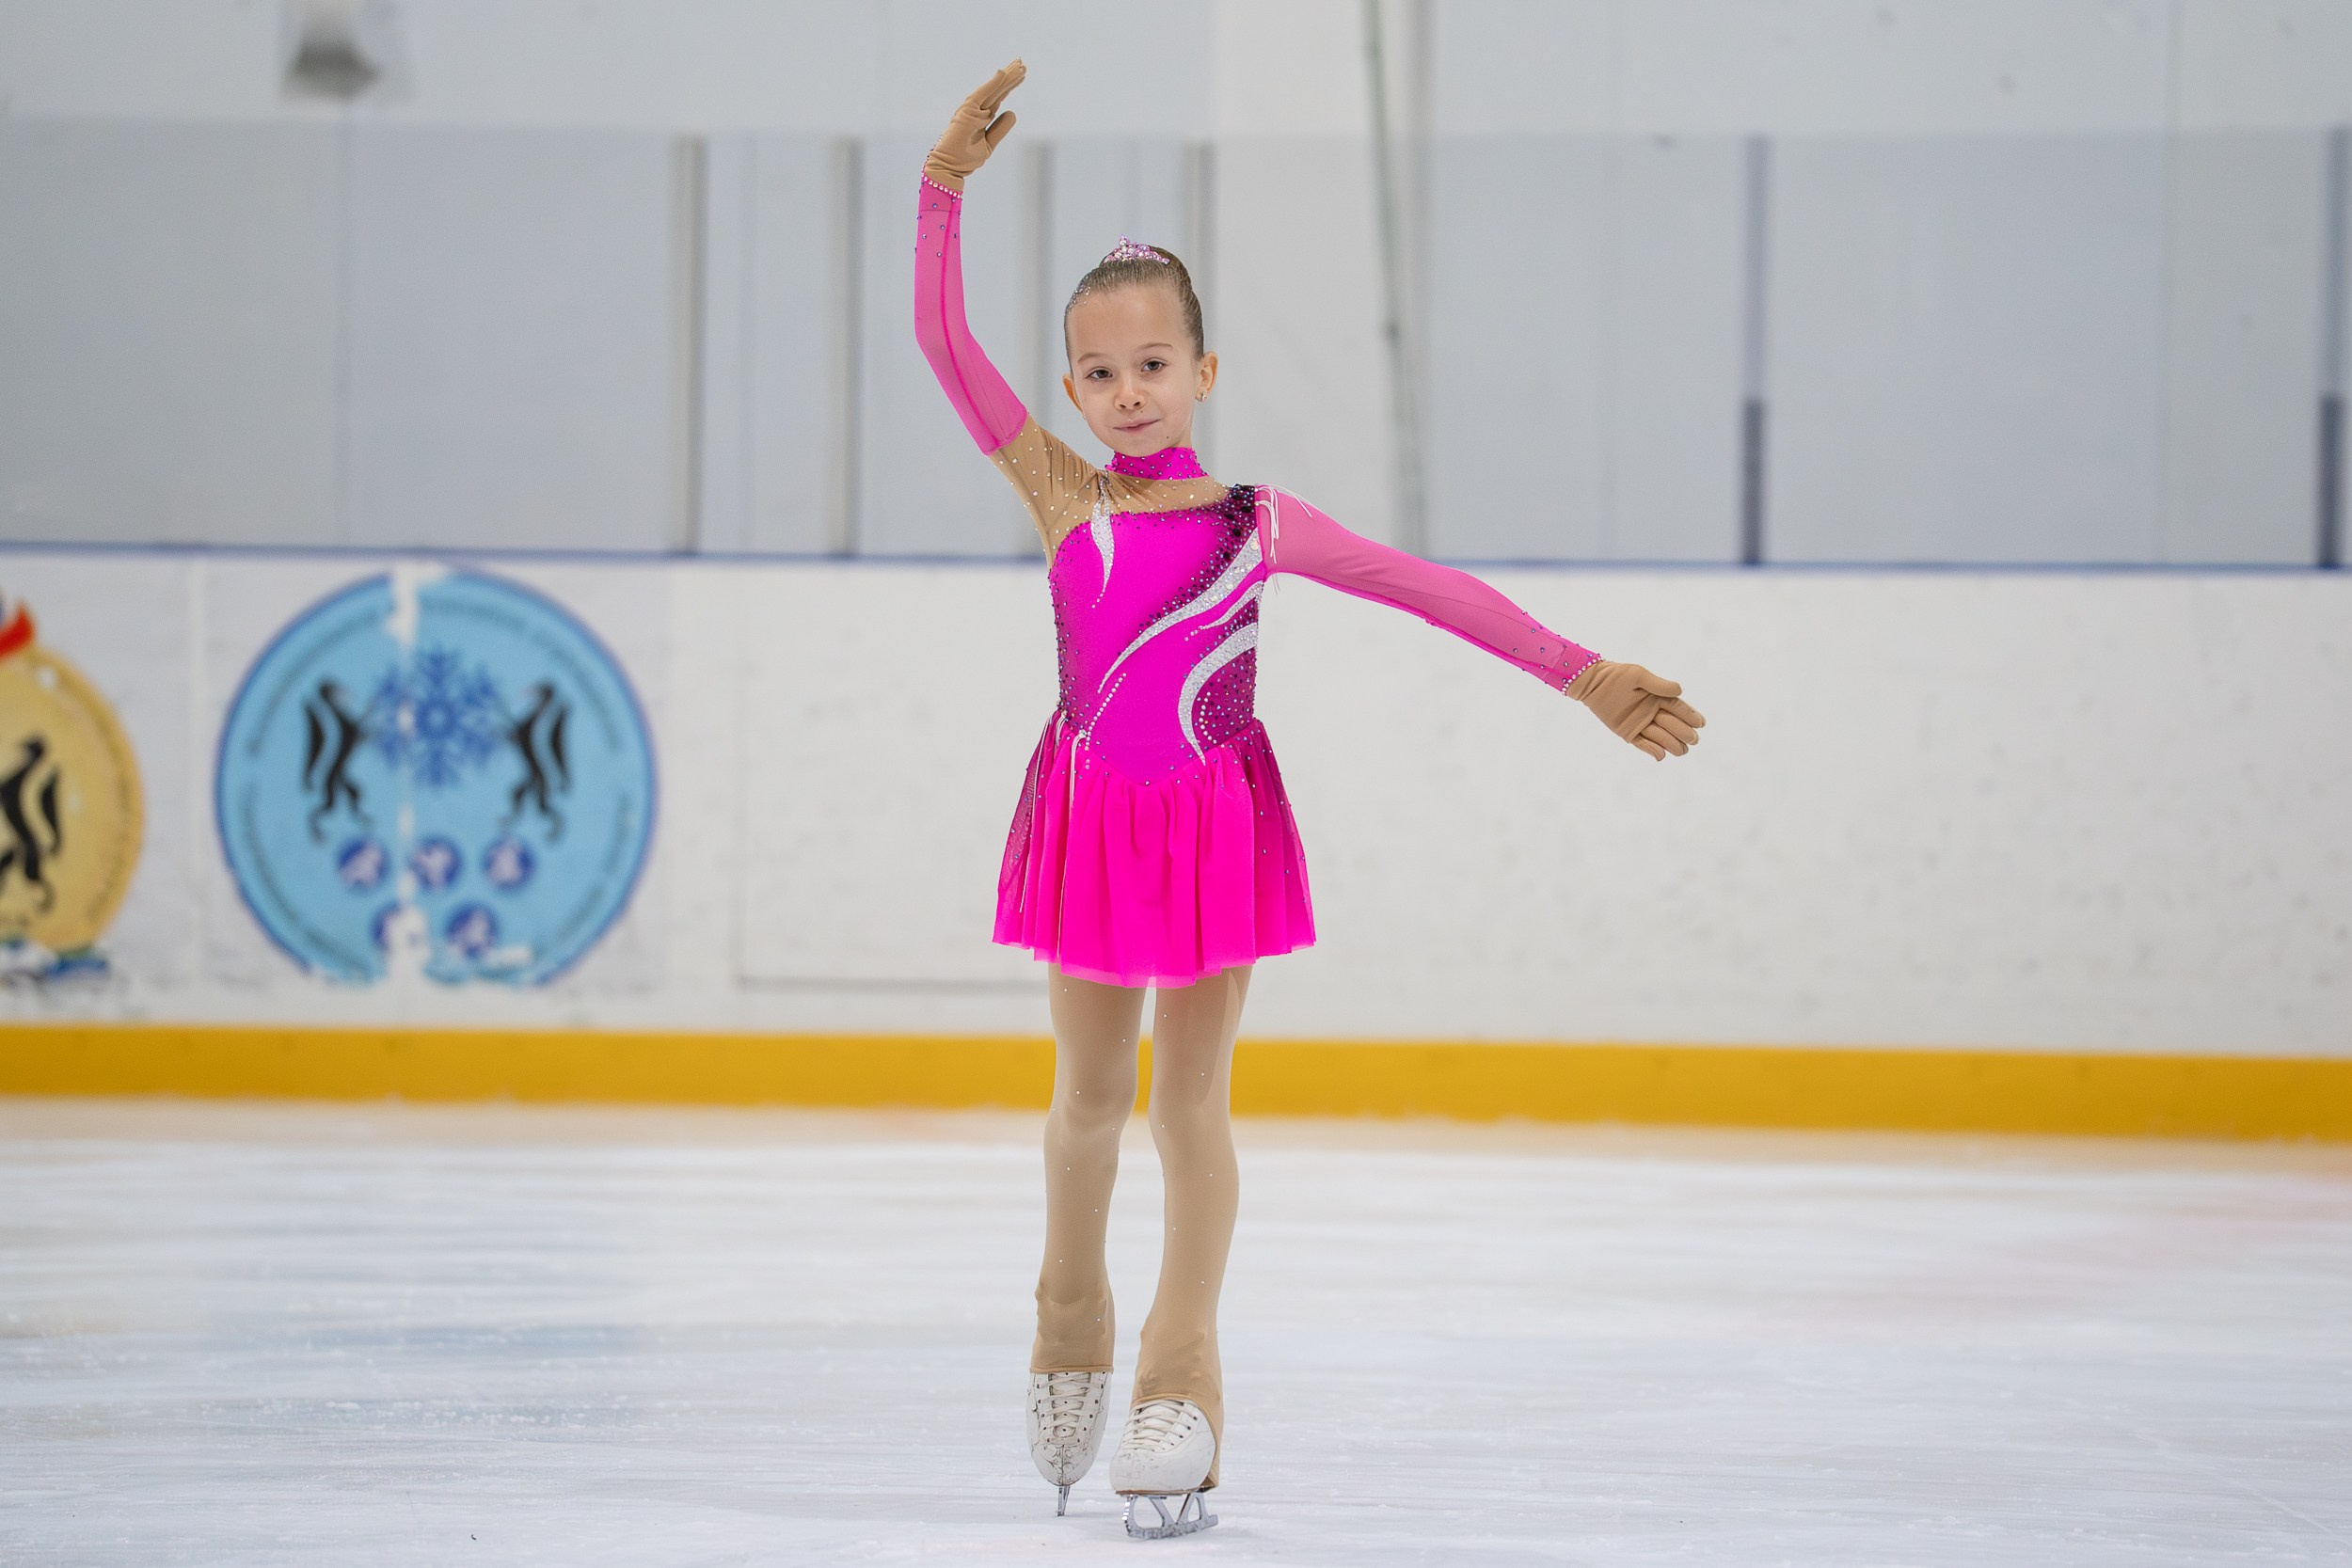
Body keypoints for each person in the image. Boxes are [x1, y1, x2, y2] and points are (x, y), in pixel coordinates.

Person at [913, 60, 1706, 1539]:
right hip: (1094, 813)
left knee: (1188, 1108)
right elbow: (943, 344)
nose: (1125, 392)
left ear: (1203, 374)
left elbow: (1427, 592)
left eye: (1153, 365)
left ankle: (1179, 1366)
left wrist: (1579, 671)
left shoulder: (1256, 523)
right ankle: (1066, 1303)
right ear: (1074, 387)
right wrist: (942, 191)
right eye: (1097, 372)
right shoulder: (1058, 493)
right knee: (1087, 1104)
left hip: (1211, 822)